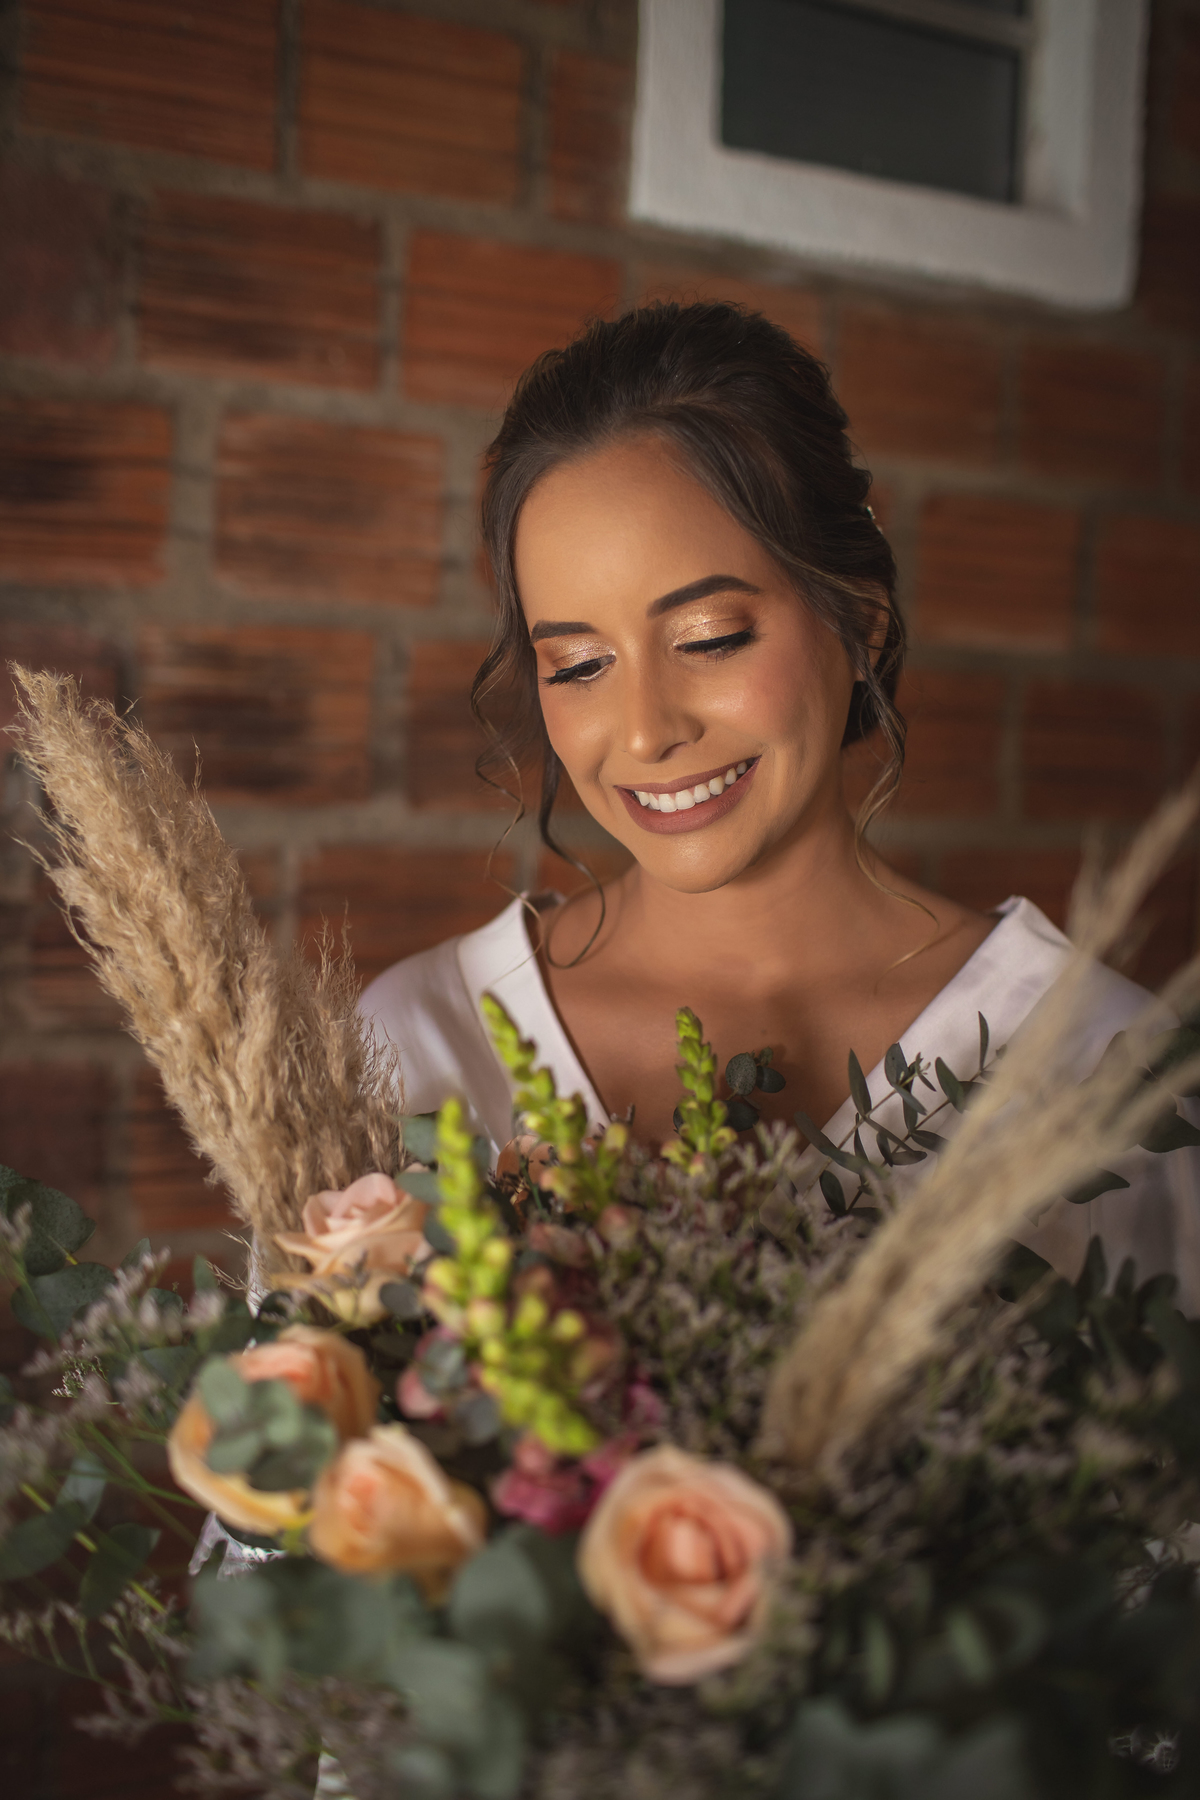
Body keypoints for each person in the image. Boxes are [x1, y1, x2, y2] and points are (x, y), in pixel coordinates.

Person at [363, 302, 1200, 1311]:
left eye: (711, 637)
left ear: (858, 621)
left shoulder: (1103, 1067)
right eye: (577, 664)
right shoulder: (417, 1044)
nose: (642, 732)